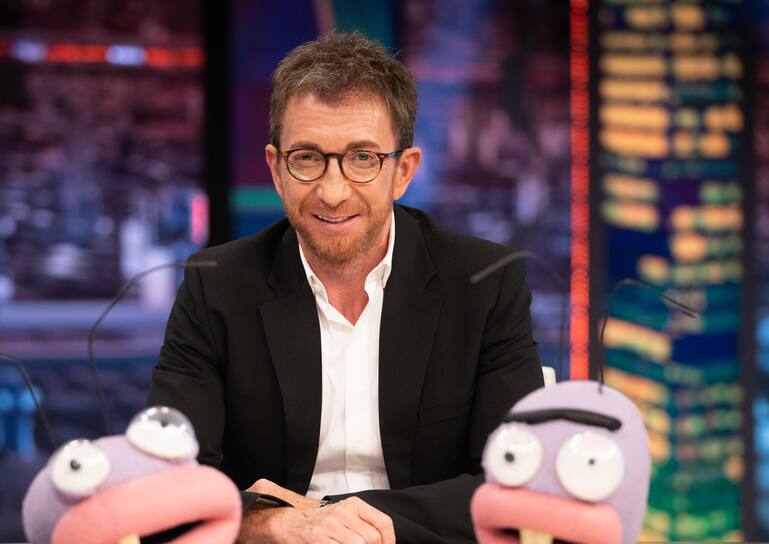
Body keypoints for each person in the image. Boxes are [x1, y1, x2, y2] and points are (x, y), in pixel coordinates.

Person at [147, 31, 543, 542]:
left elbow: (514, 487)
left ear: (403, 172)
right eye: (307, 158)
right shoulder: (215, 286)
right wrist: (276, 523)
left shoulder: (486, 282)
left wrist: (333, 520)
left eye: (362, 158)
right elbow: (168, 485)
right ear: (276, 170)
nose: (333, 193)